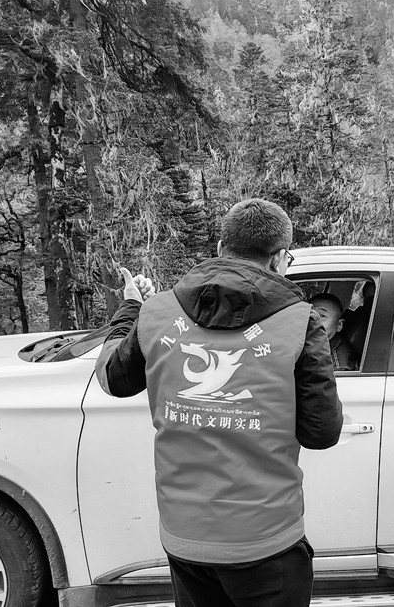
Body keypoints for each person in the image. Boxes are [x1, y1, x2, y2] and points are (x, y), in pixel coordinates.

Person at [94, 199, 344, 607]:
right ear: (279, 258)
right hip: (266, 539)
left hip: (184, 537)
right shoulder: (301, 321)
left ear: (221, 246)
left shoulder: (157, 312)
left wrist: (131, 310)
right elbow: (321, 433)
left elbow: (112, 378)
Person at [310, 293, 359, 371]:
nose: (312, 320)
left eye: (322, 316)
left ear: (339, 325)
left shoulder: (338, 365)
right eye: (310, 314)